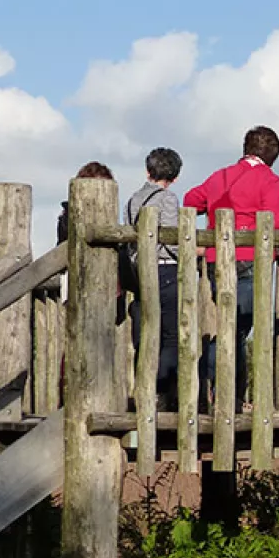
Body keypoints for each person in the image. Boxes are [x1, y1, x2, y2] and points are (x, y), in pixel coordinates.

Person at [183, 126, 279, 412]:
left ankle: (224, 392)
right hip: (251, 259)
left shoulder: (220, 176)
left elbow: (191, 199)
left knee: (229, 325)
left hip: (217, 259)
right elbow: (276, 223)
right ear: (272, 156)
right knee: (237, 330)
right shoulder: (270, 180)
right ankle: (220, 386)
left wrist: (212, 210)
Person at [125, 147, 184, 411]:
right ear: (175, 177)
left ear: (148, 171)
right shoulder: (168, 199)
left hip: (140, 272)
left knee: (146, 332)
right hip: (165, 270)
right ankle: (162, 394)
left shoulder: (132, 200)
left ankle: (144, 389)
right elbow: (172, 240)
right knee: (170, 336)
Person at [57, 161, 115, 405]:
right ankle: (69, 398)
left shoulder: (70, 215)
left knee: (98, 340)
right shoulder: (68, 216)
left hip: (100, 281)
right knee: (77, 338)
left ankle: (92, 396)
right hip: (77, 280)